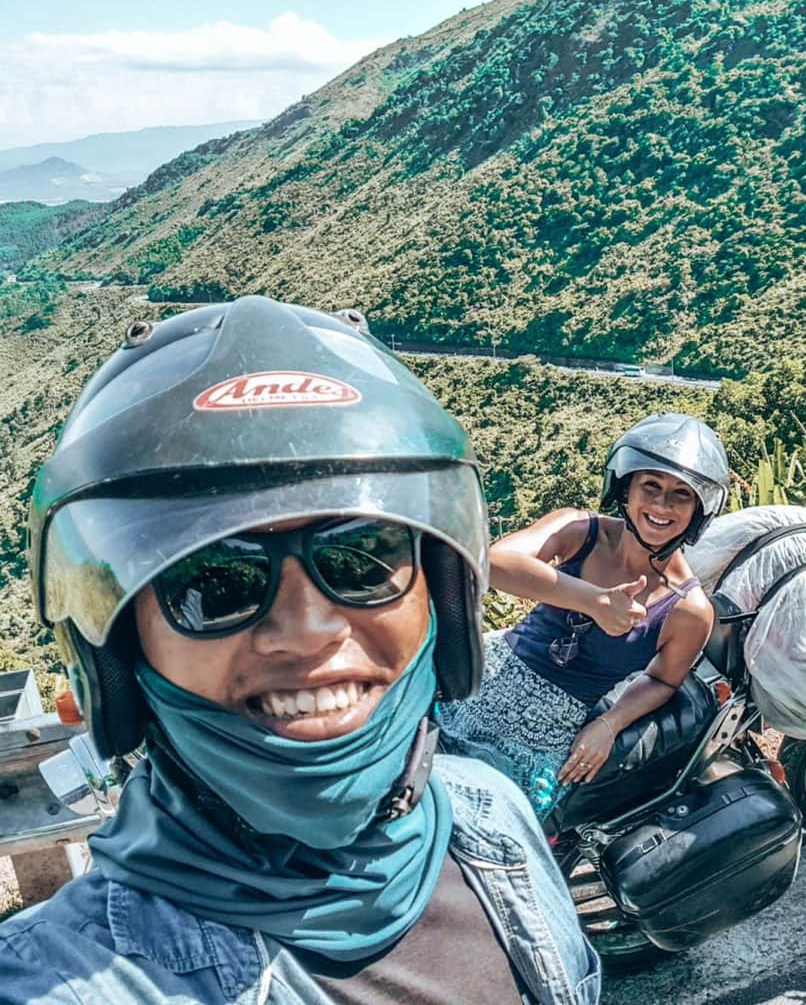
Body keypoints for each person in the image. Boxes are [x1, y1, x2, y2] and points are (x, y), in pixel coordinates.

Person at [0, 296, 599, 1005]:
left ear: (441, 594)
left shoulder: (491, 812)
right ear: (122, 650)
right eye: (213, 583)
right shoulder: (63, 984)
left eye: (360, 559)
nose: (309, 630)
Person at [437, 414, 725, 812]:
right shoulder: (580, 530)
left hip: (538, 737)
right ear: (624, 489)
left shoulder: (689, 609)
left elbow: (663, 679)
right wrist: (593, 601)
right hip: (473, 682)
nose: (662, 504)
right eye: (651, 486)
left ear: (699, 509)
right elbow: (494, 562)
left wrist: (609, 723)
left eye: (681, 494)